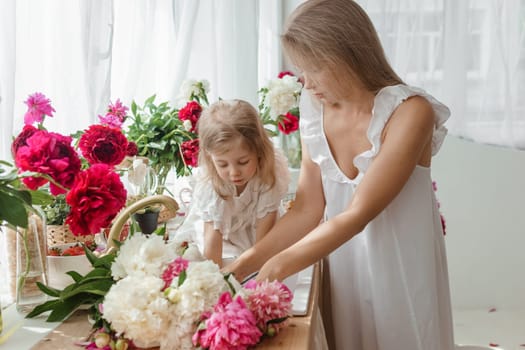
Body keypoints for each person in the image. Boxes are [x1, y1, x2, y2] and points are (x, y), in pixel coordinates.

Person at [223, 0, 456, 349]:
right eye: (301, 69)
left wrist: (277, 265)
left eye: (313, 67)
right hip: (344, 269)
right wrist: (244, 265)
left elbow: (357, 214)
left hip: (401, 268)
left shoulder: (410, 112)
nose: (305, 80)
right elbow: (307, 208)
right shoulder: (315, 108)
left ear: (347, 54)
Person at [174, 99, 290, 268]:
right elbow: (212, 245)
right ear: (210, 156)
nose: (234, 172)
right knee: (219, 264)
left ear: (258, 151)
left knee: (272, 260)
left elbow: (263, 241)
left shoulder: (269, 173)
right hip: (220, 233)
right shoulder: (211, 182)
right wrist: (216, 278)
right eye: (222, 164)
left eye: (243, 162)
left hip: (259, 228)